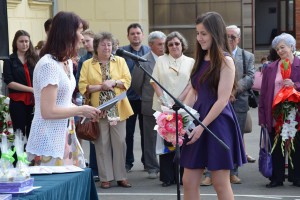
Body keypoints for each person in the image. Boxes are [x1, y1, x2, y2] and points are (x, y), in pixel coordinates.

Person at [180, 12, 247, 200]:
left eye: (204, 34)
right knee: (189, 181)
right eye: (197, 33)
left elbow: (222, 100)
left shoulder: (226, 61)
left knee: (219, 182)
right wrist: (182, 118)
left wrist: (201, 127)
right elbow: (194, 92)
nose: (199, 38)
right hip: (197, 120)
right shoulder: (200, 59)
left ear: (215, 33)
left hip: (218, 123)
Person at [25, 11, 101, 167]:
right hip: (48, 141)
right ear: (68, 34)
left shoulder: (64, 62)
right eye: (79, 32)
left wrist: (87, 110)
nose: (82, 37)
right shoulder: (49, 65)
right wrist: (80, 110)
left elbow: (63, 102)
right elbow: (48, 111)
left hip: (65, 136)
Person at [79, 31, 133, 189]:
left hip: (118, 109)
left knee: (120, 142)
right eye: (103, 44)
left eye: (109, 44)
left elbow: (127, 81)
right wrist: (100, 86)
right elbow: (82, 86)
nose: (107, 47)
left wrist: (114, 82)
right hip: (97, 110)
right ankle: (105, 177)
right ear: (96, 47)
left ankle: (121, 176)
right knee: (101, 144)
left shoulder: (120, 61)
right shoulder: (88, 64)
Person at [151, 31, 195, 187]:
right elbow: (155, 82)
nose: (174, 46)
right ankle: (167, 177)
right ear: (167, 47)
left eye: (177, 43)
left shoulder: (190, 61)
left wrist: (180, 100)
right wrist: (165, 102)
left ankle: (182, 176)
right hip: (164, 108)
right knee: (166, 141)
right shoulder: (161, 61)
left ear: (182, 45)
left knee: (184, 141)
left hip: (185, 106)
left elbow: (192, 83)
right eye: (170, 44)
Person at [259, 33, 300, 188]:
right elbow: (263, 95)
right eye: (277, 49)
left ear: (291, 46)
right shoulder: (270, 67)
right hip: (275, 113)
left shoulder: (298, 64)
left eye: (282, 47)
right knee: (276, 146)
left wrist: (295, 85)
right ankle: (277, 177)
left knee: (296, 144)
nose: (280, 51)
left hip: (295, 112)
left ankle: (297, 177)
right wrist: (262, 118)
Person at [131, 31, 166, 179]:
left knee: (167, 137)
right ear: (151, 45)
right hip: (149, 105)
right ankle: (152, 167)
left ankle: (166, 168)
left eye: (164, 43)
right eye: (159, 44)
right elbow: (136, 84)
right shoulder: (143, 61)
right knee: (150, 138)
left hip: (167, 105)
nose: (163, 47)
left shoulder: (168, 60)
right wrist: (147, 97)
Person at [120, 23, 150, 172]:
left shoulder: (149, 51)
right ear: (128, 36)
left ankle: (147, 162)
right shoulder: (122, 53)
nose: (135, 36)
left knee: (146, 133)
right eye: (132, 33)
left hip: (144, 98)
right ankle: (128, 162)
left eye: (138, 33)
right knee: (128, 133)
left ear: (142, 35)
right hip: (128, 98)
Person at [3, 30, 39, 139]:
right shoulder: (9, 60)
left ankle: (32, 156)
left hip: (35, 100)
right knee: (19, 132)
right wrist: (31, 89)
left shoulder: (35, 58)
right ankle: (20, 155)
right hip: (18, 101)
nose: (24, 44)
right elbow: (9, 82)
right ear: (15, 43)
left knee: (33, 132)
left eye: (27, 41)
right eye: (21, 41)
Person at [75, 29, 99, 179]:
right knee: (92, 134)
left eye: (87, 41)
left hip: (106, 100)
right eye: (83, 42)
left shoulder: (105, 56)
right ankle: (95, 170)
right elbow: (79, 82)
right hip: (90, 100)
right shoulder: (84, 60)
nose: (85, 44)